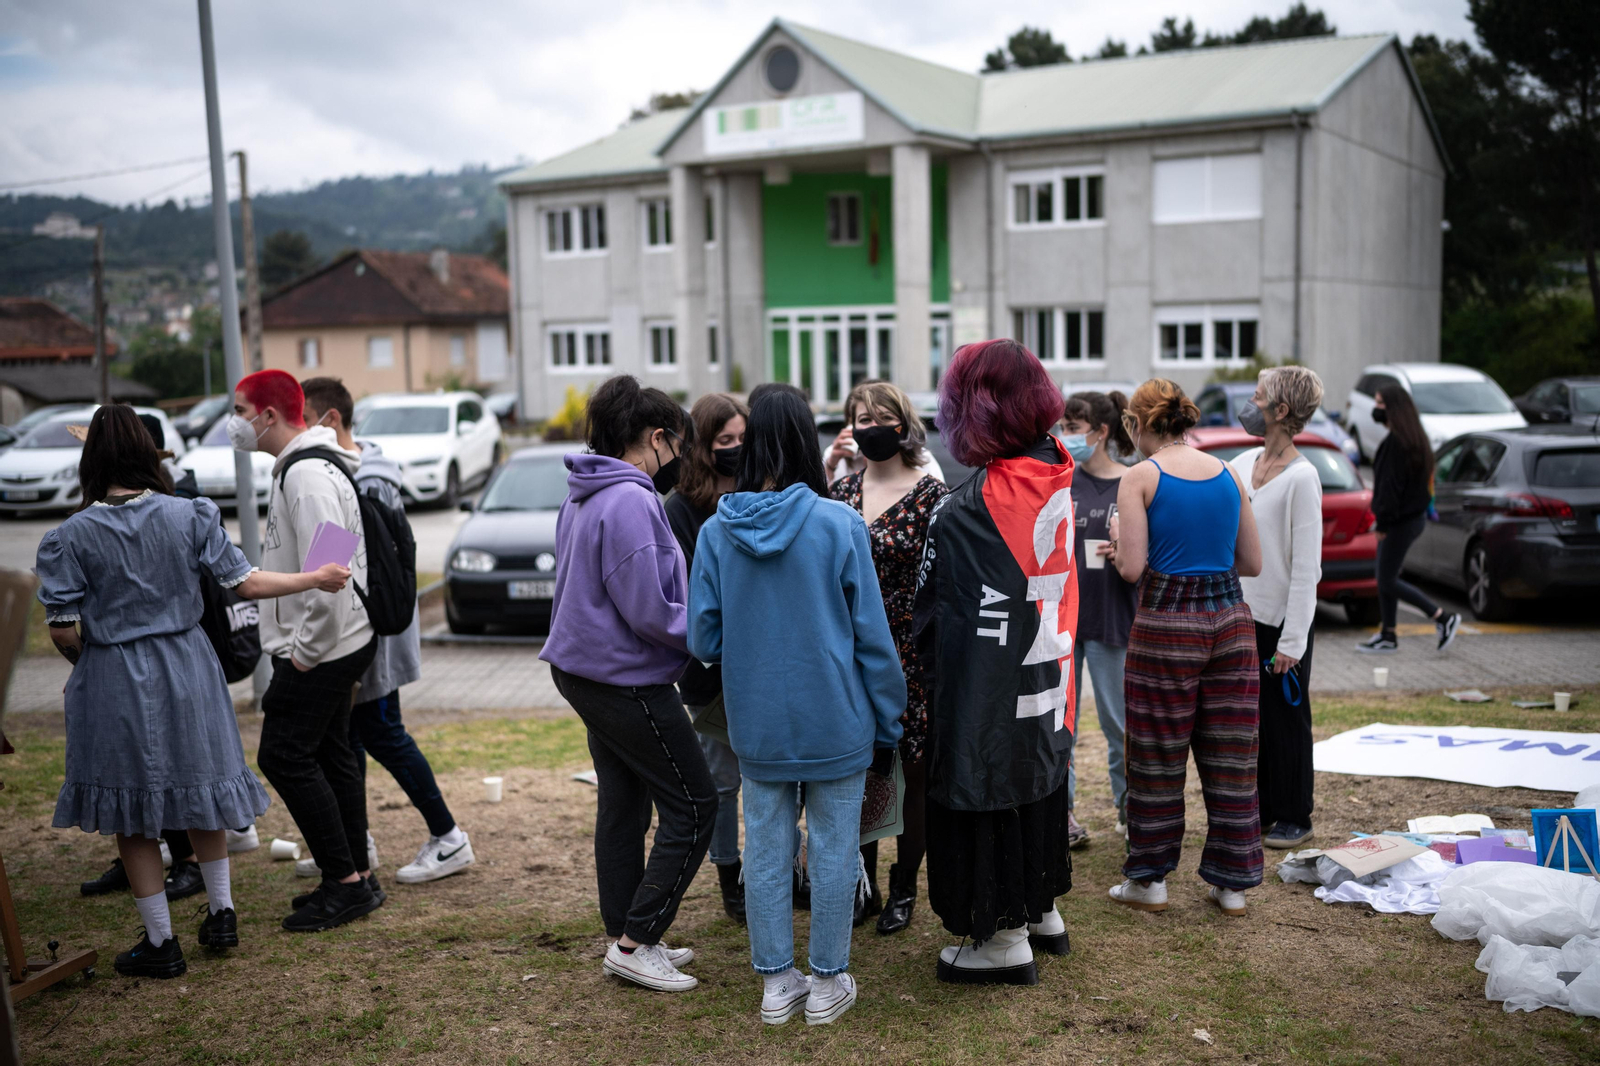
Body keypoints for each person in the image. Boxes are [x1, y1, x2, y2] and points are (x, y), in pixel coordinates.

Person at [39, 404, 351, 978]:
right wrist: (316, 576)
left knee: (131, 815)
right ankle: (222, 911)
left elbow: (63, 628)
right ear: (146, 452)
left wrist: (92, 661)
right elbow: (245, 583)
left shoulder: (70, 536)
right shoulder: (191, 514)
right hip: (188, 665)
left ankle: (162, 942)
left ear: (91, 461)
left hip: (114, 672)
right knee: (203, 788)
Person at [688, 382, 905, 1026]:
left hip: (757, 720)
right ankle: (828, 979)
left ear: (751, 443)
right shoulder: (839, 522)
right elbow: (873, 636)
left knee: (767, 846)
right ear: (808, 440)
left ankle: (778, 981)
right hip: (837, 713)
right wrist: (890, 717)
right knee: (836, 846)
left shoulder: (717, 532)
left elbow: (702, 638)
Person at [540, 374, 718, 994]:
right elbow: (652, 609)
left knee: (623, 805)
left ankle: (629, 932)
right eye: (681, 447)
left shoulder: (585, 491)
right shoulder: (631, 499)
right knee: (696, 806)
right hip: (624, 679)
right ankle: (635, 942)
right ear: (656, 438)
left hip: (585, 672)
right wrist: (713, 630)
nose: (682, 461)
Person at [912, 338, 1077, 986]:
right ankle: (1040, 908)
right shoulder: (1053, 466)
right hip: (1046, 674)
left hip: (992, 683)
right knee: (1036, 774)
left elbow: (943, 619)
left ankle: (1000, 936)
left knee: (985, 778)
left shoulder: (973, 508)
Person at [301, 377, 474, 884]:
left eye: (305, 419)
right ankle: (357, 843)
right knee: (351, 732)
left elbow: (354, 564)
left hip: (372, 632)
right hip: (363, 629)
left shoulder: (363, 480)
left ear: (330, 420)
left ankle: (448, 838)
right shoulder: (357, 470)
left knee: (380, 731)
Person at [1106, 379, 1264, 918]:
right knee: (1233, 755)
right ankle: (1233, 884)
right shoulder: (1228, 472)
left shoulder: (1140, 477)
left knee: (1155, 753)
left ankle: (1149, 880)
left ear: (1139, 423)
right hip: (1232, 620)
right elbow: (1252, 562)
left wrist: (1120, 537)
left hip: (1167, 622)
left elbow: (1130, 568)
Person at [231, 369, 381, 932]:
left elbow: (332, 572)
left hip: (325, 645)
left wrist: (302, 653)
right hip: (335, 642)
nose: (235, 422)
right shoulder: (303, 469)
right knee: (331, 754)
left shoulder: (308, 475)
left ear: (269, 416)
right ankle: (356, 876)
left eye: (240, 409)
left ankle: (344, 883)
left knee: (284, 756)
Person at [826, 380, 947, 934]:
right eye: (861, 416)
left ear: (903, 424)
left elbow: (943, 583)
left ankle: (905, 888)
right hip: (849, 650)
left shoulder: (930, 494)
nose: (873, 425)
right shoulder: (840, 493)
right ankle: (863, 884)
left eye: (883, 415)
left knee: (912, 774)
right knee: (863, 772)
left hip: (910, 651)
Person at [1229, 368, 1326, 851]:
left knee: (1288, 721)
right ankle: (1264, 809)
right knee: (1254, 721)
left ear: (1281, 411)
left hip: (1282, 627)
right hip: (1241, 617)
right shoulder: (1243, 462)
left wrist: (1293, 642)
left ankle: (1295, 814)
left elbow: (1308, 570)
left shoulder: (1304, 478)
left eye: (1258, 396)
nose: (1250, 402)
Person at [664, 391, 749, 924]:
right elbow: (695, 591)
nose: (736, 449)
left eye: (743, 439)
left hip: (758, 664)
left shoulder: (756, 491)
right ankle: (728, 875)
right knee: (721, 780)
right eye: (725, 441)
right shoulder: (681, 508)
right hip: (709, 670)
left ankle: (775, 870)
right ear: (702, 446)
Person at [1058, 391, 1138, 846]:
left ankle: (1131, 816)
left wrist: (1125, 552)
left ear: (1101, 431)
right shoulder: (1063, 480)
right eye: (1064, 426)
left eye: (1073, 427)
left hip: (1112, 622)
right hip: (1064, 626)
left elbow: (1147, 560)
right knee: (1060, 727)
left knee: (1118, 729)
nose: (1066, 436)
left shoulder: (1132, 483)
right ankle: (1062, 816)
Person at [1359, 385, 1460, 654]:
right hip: (1410, 519)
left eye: (1380, 403)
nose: (1376, 408)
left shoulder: (1396, 444)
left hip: (1398, 522)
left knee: (1387, 580)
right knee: (1386, 576)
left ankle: (1442, 617)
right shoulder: (1414, 439)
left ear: (1393, 408)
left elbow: (1390, 490)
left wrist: (1383, 523)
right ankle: (1388, 635)